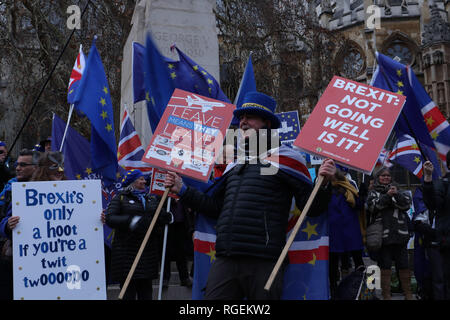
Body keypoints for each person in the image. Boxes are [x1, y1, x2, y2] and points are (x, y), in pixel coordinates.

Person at [164, 91, 336, 300]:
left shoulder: (287, 159)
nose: (243, 122)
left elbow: (313, 207)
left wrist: (325, 183)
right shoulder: (235, 163)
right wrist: (182, 189)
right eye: (241, 118)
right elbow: (214, 207)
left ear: (266, 122)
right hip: (226, 257)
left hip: (264, 261)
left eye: (250, 117)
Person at [104, 169, 173, 300]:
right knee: (128, 294)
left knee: (146, 293)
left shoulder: (150, 198)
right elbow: (110, 218)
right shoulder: (120, 198)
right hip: (126, 255)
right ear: (132, 182)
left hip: (147, 255)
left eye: (143, 179)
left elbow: (157, 216)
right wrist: (131, 221)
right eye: (140, 179)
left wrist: (166, 217)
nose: (144, 181)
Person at [366, 166, 413, 300]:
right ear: (378, 178)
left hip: (400, 234)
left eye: (388, 175)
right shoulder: (373, 192)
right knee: (385, 265)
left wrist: (396, 194)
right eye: (383, 175)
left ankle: (408, 294)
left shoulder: (399, 190)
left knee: (404, 265)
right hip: (383, 236)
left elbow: (406, 205)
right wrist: (387, 196)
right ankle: (386, 295)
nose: (386, 177)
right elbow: (374, 207)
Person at [0, 149, 40, 299]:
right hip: (12, 257)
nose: (17, 168)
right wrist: (6, 225)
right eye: (17, 164)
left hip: (41, 259)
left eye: (23, 165)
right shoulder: (10, 189)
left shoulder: (51, 190)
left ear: (36, 167)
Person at [327, 167, 365, 299]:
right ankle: (333, 290)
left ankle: (363, 290)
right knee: (332, 263)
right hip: (333, 230)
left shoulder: (350, 185)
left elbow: (358, 205)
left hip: (350, 228)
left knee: (358, 261)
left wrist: (363, 194)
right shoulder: (323, 187)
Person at [422, 151, 450, 299]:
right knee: (442, 280)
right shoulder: (442, 184)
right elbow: (432, 203)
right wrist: (427, 177)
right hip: (445, 241)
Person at [162, 199, 192, 289]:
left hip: (181, 223)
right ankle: (165, 278)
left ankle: (184, 278)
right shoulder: (162, 187)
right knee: (165, 252)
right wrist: (170, 200)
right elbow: (158, 200)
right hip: (167, 224)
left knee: (181, 252)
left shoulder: (182, 186)